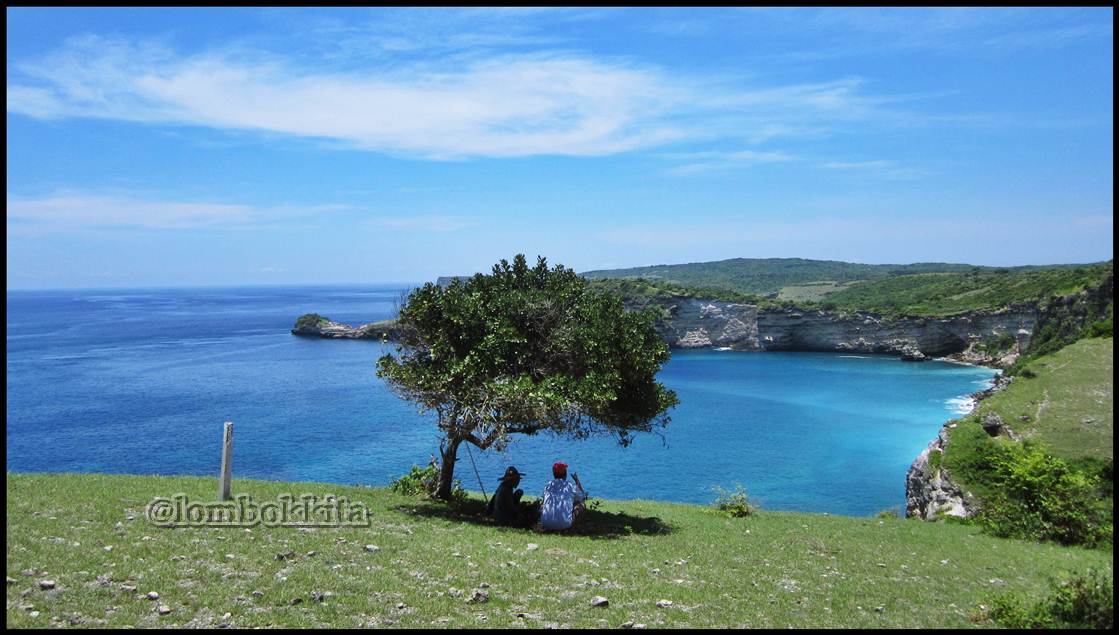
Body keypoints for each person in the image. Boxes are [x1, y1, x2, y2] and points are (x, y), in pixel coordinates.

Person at [539, 461, 587, 531]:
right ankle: (574, 527)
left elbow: (543, 500)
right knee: (582, 504)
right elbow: (583, 497)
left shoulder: (548, 485)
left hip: (546, 523)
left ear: (554, 474)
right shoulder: (569, 485)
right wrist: (577, 481)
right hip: (565, 524)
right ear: (565, 474)